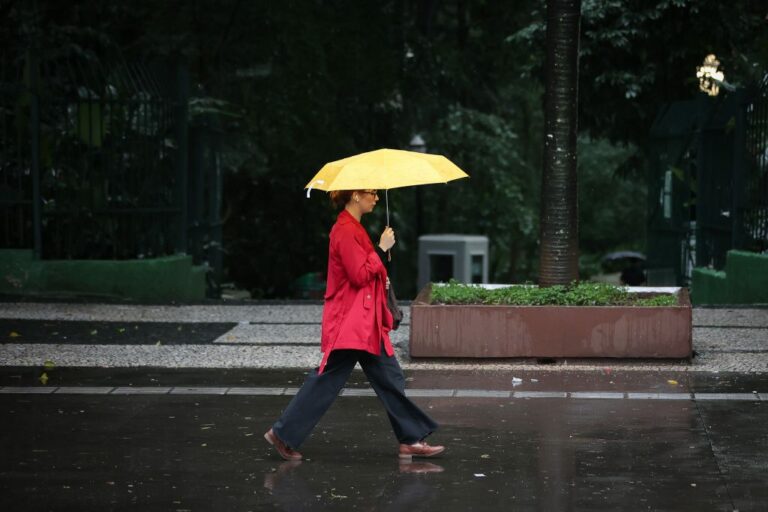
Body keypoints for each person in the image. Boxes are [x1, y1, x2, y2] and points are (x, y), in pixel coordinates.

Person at [264, 189, 444, 461]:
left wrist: (381, 257)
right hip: (352, 323)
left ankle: (410, 438)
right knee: (329, 380)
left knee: (389, 377)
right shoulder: (344, 230)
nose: (375, 197)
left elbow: (366, 271)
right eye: (370, 193)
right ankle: (283, 433)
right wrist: (381, 249)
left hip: (364, 322)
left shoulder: (353, 228)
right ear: (355, 196)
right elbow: (359, 275)